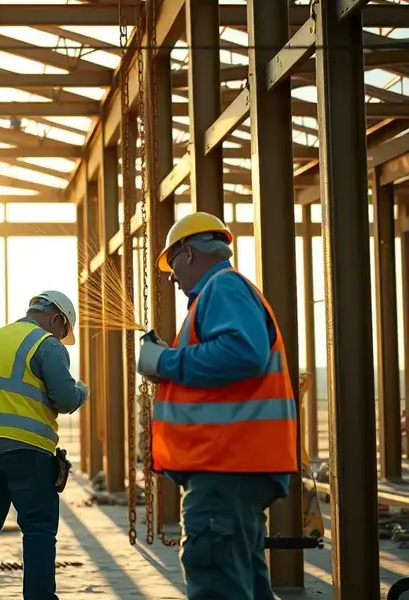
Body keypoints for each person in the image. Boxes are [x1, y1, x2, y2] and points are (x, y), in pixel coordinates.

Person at [136, 212, 298, 600]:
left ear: (189, 253)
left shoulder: (222, 288)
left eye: (172, 263)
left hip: (226, 466)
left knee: (216, 583)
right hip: (237, 467)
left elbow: (242, 353)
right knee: (246, 584)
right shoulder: (222, 295)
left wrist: (165, 362)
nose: (170, 276)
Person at [0, 291, 90, 600]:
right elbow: (66, 399)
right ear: (57, 319)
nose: (60, 336)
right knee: (39, 528)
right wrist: (82, 389)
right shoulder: (46, 344)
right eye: (63, 330)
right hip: (25, 449)